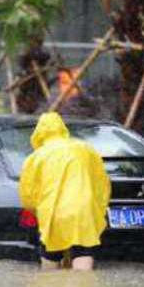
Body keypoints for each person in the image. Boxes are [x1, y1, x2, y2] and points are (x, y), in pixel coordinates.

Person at [19, 112, 111, 270]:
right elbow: (102, 185)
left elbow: (28, 197)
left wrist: (37, 213)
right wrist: (98, 210)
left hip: (53, 213)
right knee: (83, 253)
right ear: (63, 128)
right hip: (83, 212)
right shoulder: (86, 149)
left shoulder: (35, 157)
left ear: (38, 132)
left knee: (51, 257)